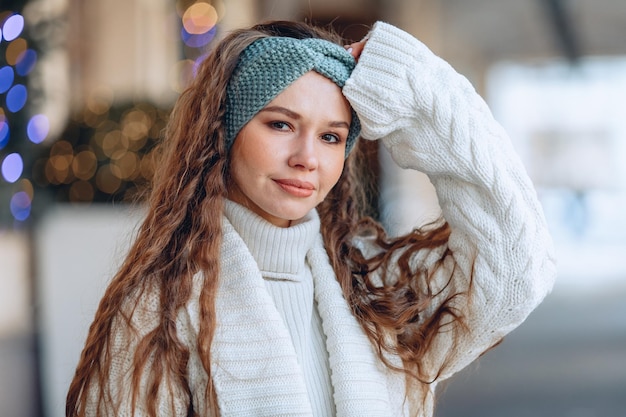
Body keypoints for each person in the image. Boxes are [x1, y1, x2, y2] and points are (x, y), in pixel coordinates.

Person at [66, 19, 557, 417]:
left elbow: (517, 270)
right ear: (226, 132)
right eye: (281, 124)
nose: (307, 158)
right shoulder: (163, 309)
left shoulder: (376, 292)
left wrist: (421, 89)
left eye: (331, 136)